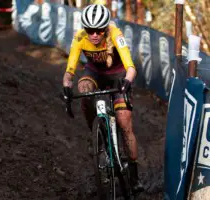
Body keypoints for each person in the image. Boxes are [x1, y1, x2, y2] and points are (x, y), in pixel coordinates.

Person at [62, 4, 144, 193]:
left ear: (105, 28)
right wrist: (66, 87)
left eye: (98, 30)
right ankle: (96, 131)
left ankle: (134, 175)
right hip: (95, 74)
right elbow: (69, 71)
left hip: (118, 75)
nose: (94, 35)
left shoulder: (115, 33)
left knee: (124, 122)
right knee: (83, 87)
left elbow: (131, 67)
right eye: (90, 30)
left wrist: (127, 83)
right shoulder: (80, 38)